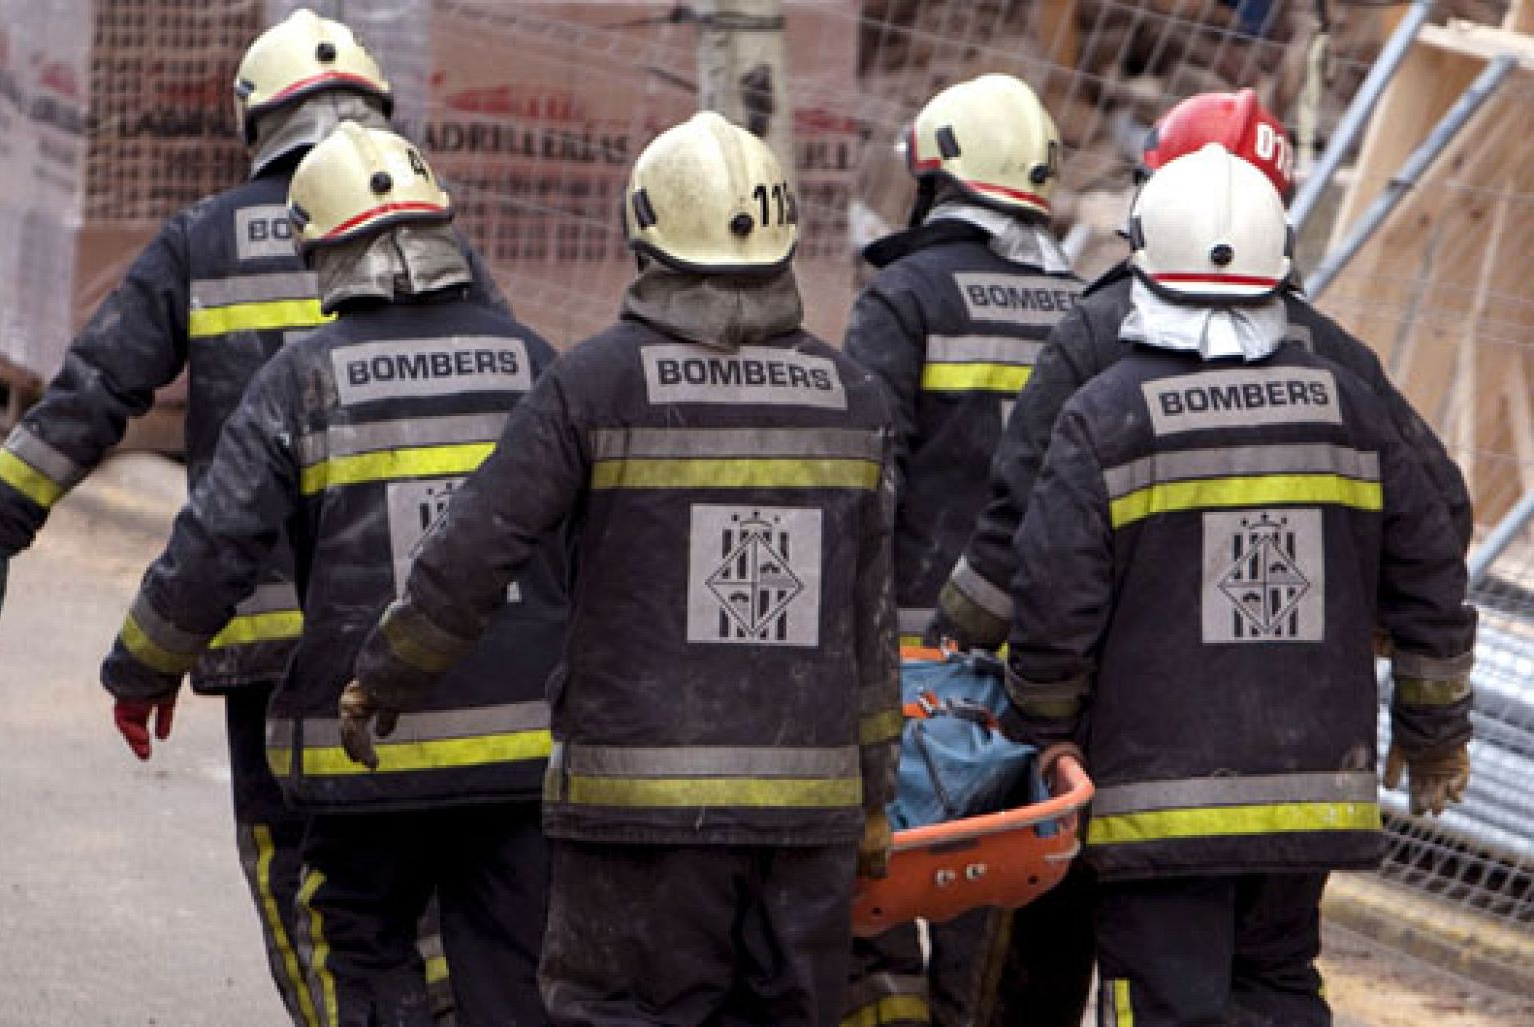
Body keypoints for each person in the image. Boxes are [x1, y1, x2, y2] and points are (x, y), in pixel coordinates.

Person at [0, 10, 500, 1021]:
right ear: (375, 112)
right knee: (417, 887)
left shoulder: (199, 240)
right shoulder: (443, 252)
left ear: (256, 123)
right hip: (421, 631)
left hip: (265, 639)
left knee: (309, 892)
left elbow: (94, 389)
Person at [337, 111, 901, 1026]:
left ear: (646, 233)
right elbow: (870, 629)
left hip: (634, 821)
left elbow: (477, 545)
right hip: (806, 825)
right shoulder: (855, 400)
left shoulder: (594, 384)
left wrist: (385, 675)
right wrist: (875, 794)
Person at [932, 90, 1474, 1027]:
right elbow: (1434, 535)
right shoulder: (1344, 387)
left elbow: (1045, 575)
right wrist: (1433, 724)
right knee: (1278, 984)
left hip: (1150, 791)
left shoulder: (1104, 398)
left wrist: (1030, 719)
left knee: (1150, 995)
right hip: (1310, 783)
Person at [100, 123, 563, 1024]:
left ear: (327, 253)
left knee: (358, 938)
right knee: (513, 972)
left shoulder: (300, 380)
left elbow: (216, 542)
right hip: (522, 755)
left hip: (370, 753)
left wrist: (141, 668)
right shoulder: (534, 362)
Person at [838, 74, 1080, 1027]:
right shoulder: (1088, 310)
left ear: (933, 177)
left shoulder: (902, 297)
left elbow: (861, 479)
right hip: (1038, 672)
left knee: (882, 895)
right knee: (996, 903)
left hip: (911, 666)